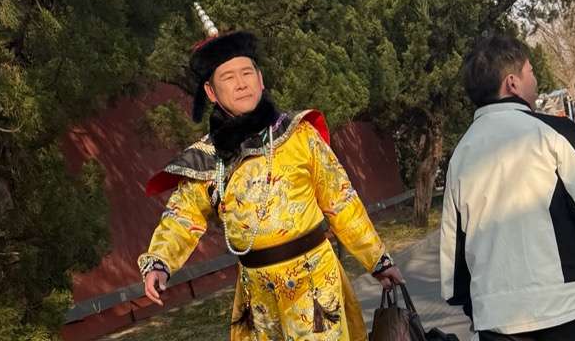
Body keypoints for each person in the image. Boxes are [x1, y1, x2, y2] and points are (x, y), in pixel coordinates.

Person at [139, 30, 403, 340]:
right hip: (257, 294)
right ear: (211, 92)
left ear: (260, 79)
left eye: (247, 73)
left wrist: (377, 260)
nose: (241, 83)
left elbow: (341, 201)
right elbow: (183, 217)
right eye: (228, 78)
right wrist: (160, 262)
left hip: (314, 282)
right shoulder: (207, 159)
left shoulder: (299, 135)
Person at [440, 33, 575, 341]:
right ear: (512, 83)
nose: (535, 80)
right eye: (531, 71)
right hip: (564, 308)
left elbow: (453, 257)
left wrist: (479, 306)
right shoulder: (554, 133)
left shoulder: (461, 155)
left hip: (497, 321)